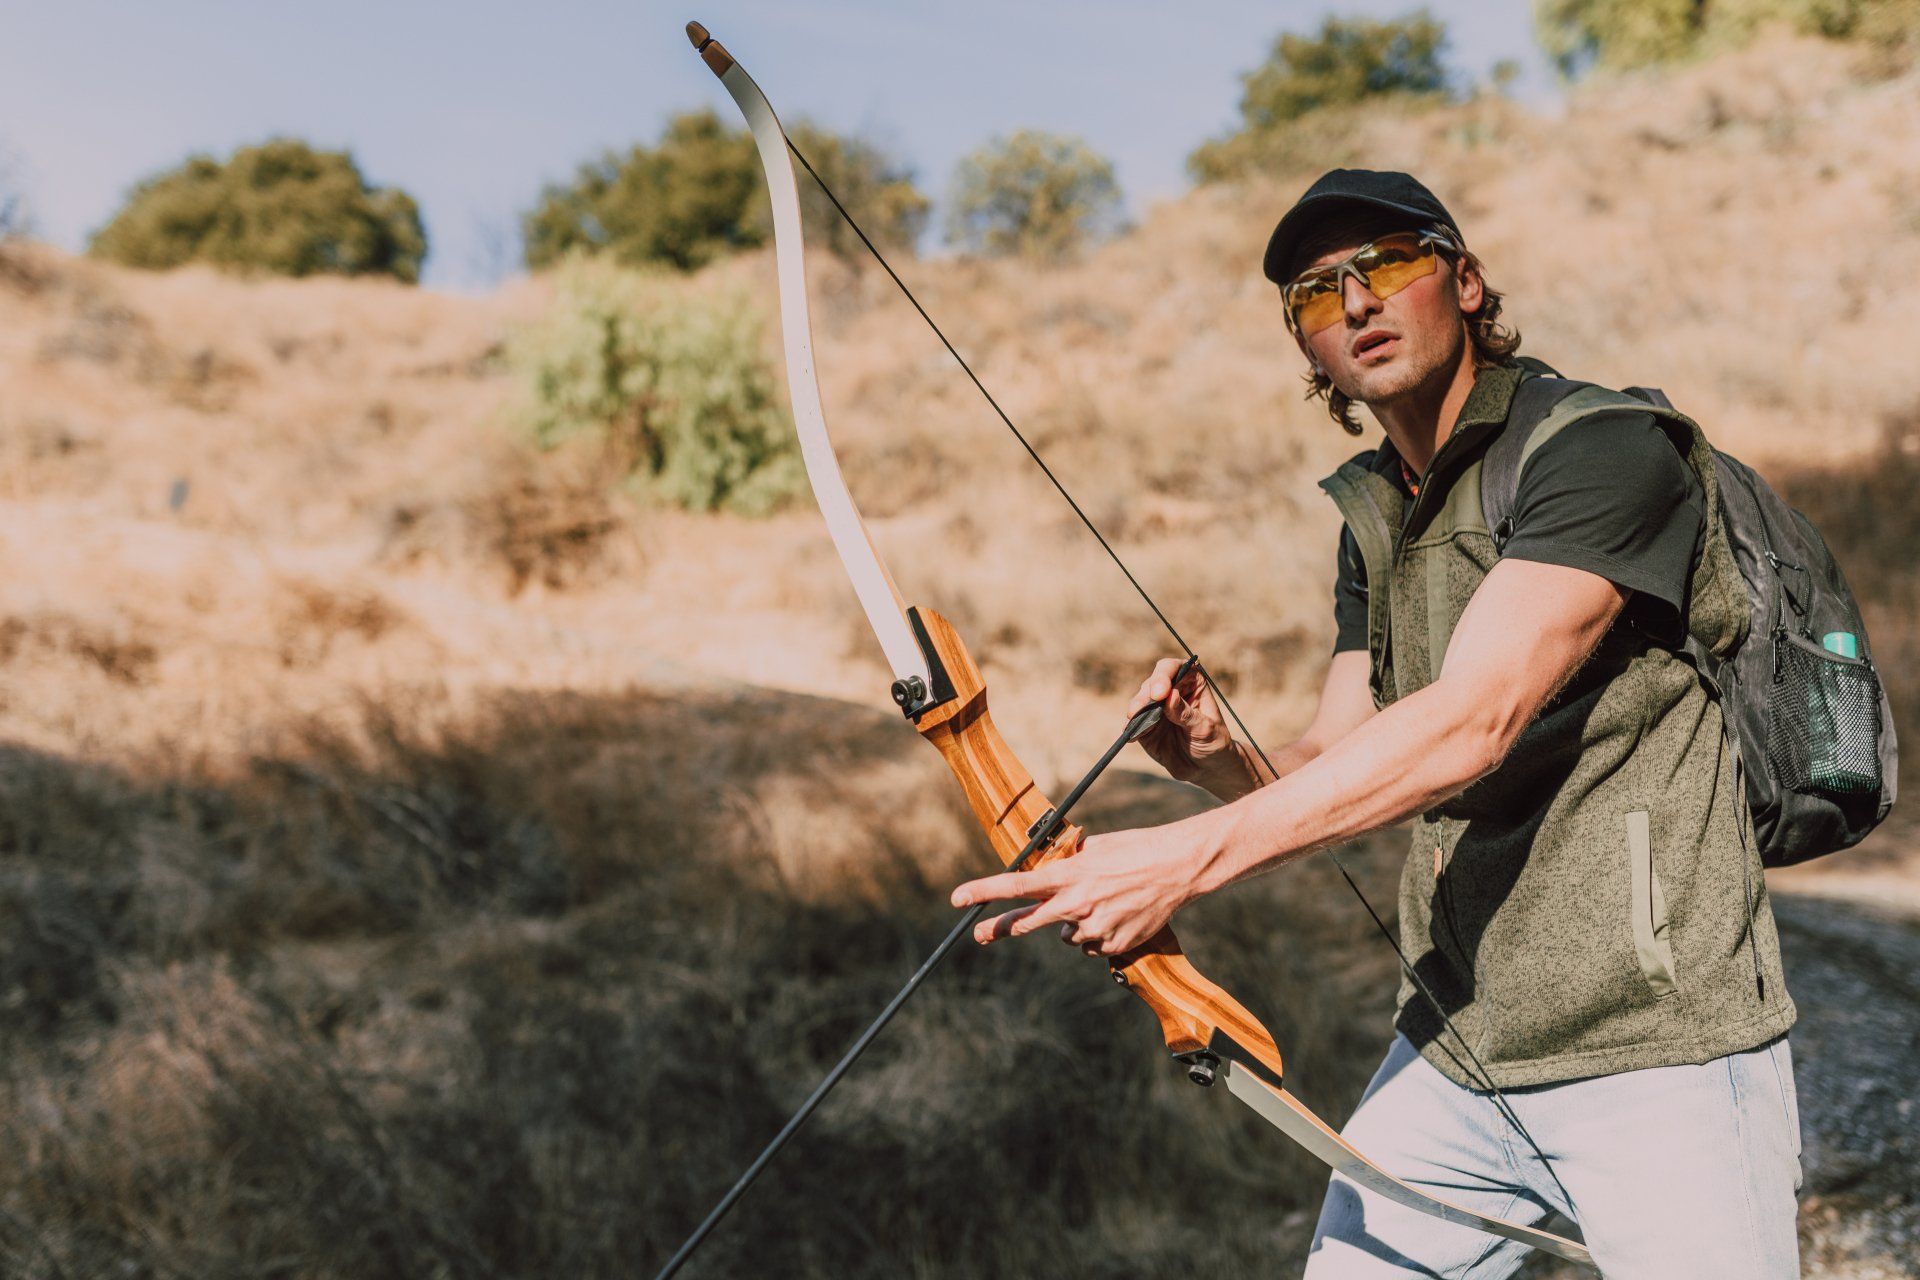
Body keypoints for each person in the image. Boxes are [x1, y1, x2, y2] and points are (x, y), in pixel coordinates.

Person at [950, 169, 1802, 1277]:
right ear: (1307, 348)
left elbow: (1471, 721)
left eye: (1387, 264)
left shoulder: (1603, 449)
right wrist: (1222, 761)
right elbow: (1335, 762)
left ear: (1466, 277)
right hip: (1454, 1048)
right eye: (1313, 293)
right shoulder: (1375, 514)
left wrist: (1180, 861)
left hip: (1658, 1051)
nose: (1353, 303)